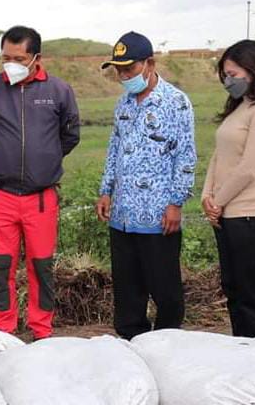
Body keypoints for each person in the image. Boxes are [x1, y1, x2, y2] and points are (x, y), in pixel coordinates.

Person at [0, 25, 80, 340]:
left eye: (18, 58)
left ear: (36, 58)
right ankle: (4, 328)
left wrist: (44, 159)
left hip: (41, 198)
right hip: (1, 195)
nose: (11, 64)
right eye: (5, 57)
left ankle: (40, 330)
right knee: (0, 267)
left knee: (41, 267)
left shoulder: (59, 91)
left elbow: (70, 135)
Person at [96, 31, 196, 340]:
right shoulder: (123, 105)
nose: (124, 76)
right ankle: (131, 339)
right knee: (127, 286)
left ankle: (166, 341)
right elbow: (115, 149)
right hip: (123, 214)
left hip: (158, 214)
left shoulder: (176, 103)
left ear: (149, 63)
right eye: (119, 71)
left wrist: (176, 202)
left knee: (164, 286)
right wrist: (105, 190)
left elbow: (186, 156)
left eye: (129, 69)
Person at [201, 40, 255, 338]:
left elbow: (249, 166)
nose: (228, 81)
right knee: (232, 286)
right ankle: (242, 346)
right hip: (226, 211)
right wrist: (207, 196)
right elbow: (219, 154)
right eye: (225, 74)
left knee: (249, 289)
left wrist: (219, 201)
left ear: (253, 70)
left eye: (233, 74)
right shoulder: (240, 106)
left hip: (250, 210)